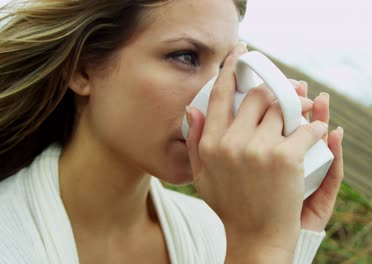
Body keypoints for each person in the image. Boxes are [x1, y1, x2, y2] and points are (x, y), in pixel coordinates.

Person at [0, 0, 344, 263]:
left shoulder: (216, 232)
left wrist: (288, 236)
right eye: (185, 56)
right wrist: (260, 247)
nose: (220, 95)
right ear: (83, 70)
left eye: (226, 67)